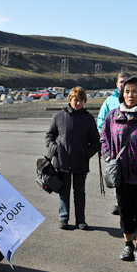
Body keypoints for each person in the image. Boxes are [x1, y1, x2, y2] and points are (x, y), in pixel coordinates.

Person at [101, 76, 137, 267]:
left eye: (134, 91)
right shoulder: (113, 116)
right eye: (127, 91)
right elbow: (103, 138)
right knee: (125, 212)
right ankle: (128, 245)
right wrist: (108, 156)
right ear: (122, 93)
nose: (130, 94)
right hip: (122, 176)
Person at [45, 86, 100, 230]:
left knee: (79, 192)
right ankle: (63, 218)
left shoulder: (88, 118)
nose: (78, 103)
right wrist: (54, 148)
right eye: (76, 100)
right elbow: (49, 136)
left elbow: (96, 141)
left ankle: (80, 220)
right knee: (64, 191)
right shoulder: (58, 116)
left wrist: (86, 154)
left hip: (80, 163)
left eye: (81, 100)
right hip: (62, 162)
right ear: (70, 99)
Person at [97, 72, 132, 215]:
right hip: (115, 148)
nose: (124, 84)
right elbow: (101, 123)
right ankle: (119, 203)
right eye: (121, 81)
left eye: (127, 81)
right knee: (116, 175)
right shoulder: (109, 102)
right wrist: (106, 145)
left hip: (134, 149)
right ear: (116, 84)